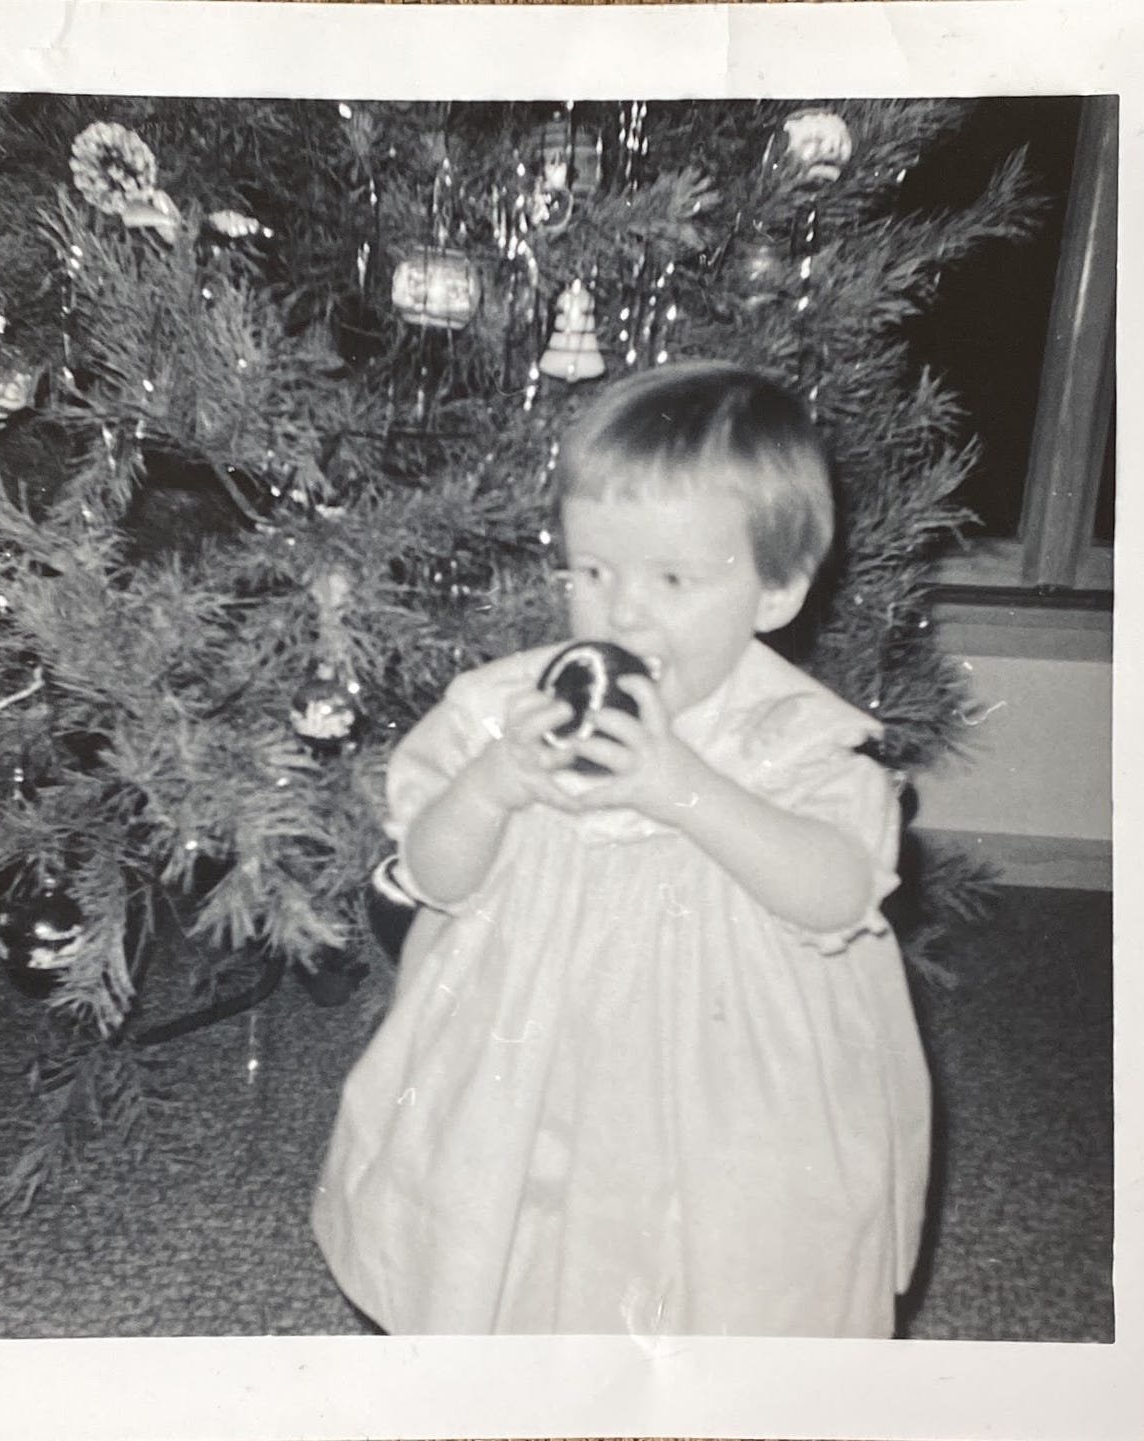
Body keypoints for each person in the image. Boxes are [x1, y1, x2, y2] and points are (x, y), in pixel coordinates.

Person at [312, 360, 931, 1337]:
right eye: (593, 571)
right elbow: (432, 876)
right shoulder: (502, 710)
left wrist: (680, 787)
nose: (623, 611)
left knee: (728, 1279)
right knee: (505, 1242)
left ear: (774, 590)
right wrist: (493, 784)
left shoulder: (797, 737)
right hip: (520, 1052)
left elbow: (836, 893)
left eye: (673, 578)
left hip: (732, 1086)